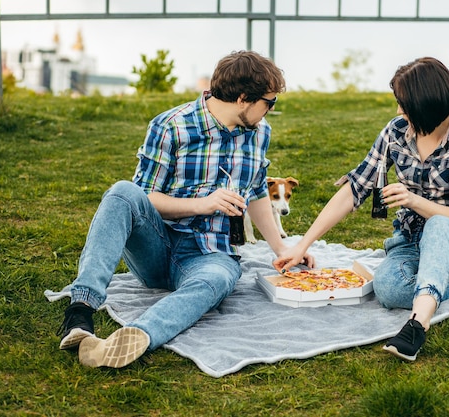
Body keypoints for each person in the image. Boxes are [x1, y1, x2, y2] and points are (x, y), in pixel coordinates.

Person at [58, 50, 313, 368]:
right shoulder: (171, 126)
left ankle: (136, 337)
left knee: (219, 281)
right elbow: (145, 197)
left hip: (209, 255)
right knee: (122, 192)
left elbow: (258, 190)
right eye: (269, 103)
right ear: (244, 98)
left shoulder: (260, 134)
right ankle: (80, 312)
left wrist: (282, 248)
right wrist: (203, 204)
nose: (271, 111)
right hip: (158, 246)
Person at [274, 57, 449, 362]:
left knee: (438, 225)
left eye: (404, 104)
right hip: (411, 241)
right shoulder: (395, 132)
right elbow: (354, 189)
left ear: (426, 106)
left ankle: (416, 326)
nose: (398, 111)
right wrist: (302, 245)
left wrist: (412, 200)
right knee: (389, 290)